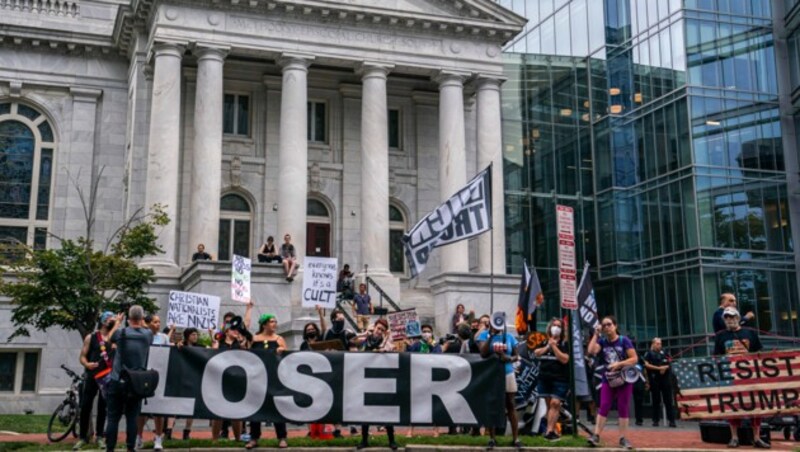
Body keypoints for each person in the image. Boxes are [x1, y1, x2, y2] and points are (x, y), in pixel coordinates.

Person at [714, 307, 769, 449]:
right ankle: (734, 437)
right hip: (731, 377)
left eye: (732, 317)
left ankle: (756, 437)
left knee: (756, 406)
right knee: (733, 407)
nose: (729, 320)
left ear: (738, 318)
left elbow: (759, 353)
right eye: (726, 317)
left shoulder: (750, 333)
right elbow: (717, 356)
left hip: (750, 377)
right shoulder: (720, 336)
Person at [105, 305, 154, 452]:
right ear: (142, 317)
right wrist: (143, 321)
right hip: (136, 383)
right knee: (132, 417)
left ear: (128, 317)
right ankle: (130, 447)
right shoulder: (147, 335)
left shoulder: (121, 333)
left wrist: (118, 322)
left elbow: (108, 338)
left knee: (113, 417)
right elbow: (147, 329)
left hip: (117, 380)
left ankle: (110, 448)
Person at [586, 315, 638, 450]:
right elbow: (591, 351)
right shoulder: (602, 342)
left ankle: (623, 438)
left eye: (609, 324)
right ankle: (596, 435)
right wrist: (596, 334)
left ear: (615, 326)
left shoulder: (624, 340)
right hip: (609, 378)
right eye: (604, 325)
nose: (607, 327)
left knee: (623, 406)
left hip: (624, 378)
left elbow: (634, 359)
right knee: (604, 405)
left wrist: (619, 364)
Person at [75, 311, 121, 451]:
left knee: (103, 407)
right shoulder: (91, 337)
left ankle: (100, 436)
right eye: (109, 318)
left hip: (107, 378)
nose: (111, 320)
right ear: (102, 321)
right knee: (86, 405)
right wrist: (87, 364)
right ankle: (83, 437)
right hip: (92, 376)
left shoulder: (114, 338)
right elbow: (82, 356)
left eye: (113, 318)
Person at [478, 313, 520, 450]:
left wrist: (508, 358)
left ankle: (516, 438)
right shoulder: (484, 336)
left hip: (507, 372)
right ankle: (492, 438)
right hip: (491, 373)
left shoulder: (509, 337)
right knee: (493, 404)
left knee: (511, 405)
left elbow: (516, 356)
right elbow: (483, 353)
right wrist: (491, 337)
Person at [247, 313, 288, 449]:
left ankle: (282, 437)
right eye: (271, 322)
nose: (275, 324)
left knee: (277, 407)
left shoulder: (279, 339)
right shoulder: (254, 338)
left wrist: (282, 350)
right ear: (264, 324)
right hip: (257, 378)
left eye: (275, 321)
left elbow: (287, 357)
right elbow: (247, 353)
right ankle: (254, 437)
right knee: (255, 407)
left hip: (274, 378)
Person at [356, 318, 398, 450]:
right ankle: (364, 440)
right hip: (367, 379)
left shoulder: (387, 342)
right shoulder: (365, 340)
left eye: (382, 330)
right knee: (365, 411)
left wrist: (387, 339)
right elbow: (355, 344)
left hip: (383, 380)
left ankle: (391, 440)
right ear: (374, 328)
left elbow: (391, 350)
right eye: (378, 328)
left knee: (387, 411)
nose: (379, 331)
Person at [135, 315, 173, 450]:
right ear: (147, 323)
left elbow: (169, 352)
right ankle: (138, 437)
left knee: (159, 409)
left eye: (159, 322)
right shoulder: (141, 335)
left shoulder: (164, 337)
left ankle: (158, 437)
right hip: (143, 375)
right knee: (141, 409)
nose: (158, 324)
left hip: (158, 375)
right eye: (155, 322)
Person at [534, 318, 570, 441]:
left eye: (558, 326)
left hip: (560, 379)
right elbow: (537, 353)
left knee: (556, 403)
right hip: (544, 377)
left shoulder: (565, 344)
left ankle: (549, 431)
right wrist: (548, 346)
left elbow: (565, 359)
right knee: (550, 405)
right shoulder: (544, 342)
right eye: (554, 325)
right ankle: (552, 430)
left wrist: (554, 347)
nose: (556, 327)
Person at [643, 337, 676, 428]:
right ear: (653, 344)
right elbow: (646, 365)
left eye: (660, 343)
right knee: (656, 401)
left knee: (668, 400)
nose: (659, 345)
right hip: (654, 379)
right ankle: (655, 420)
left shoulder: (665, 352)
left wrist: (665, 367)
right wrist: (659, 368)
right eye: (657, 343)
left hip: (665, 379)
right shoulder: (648, 353)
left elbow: (670, 361)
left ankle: (672, 421)